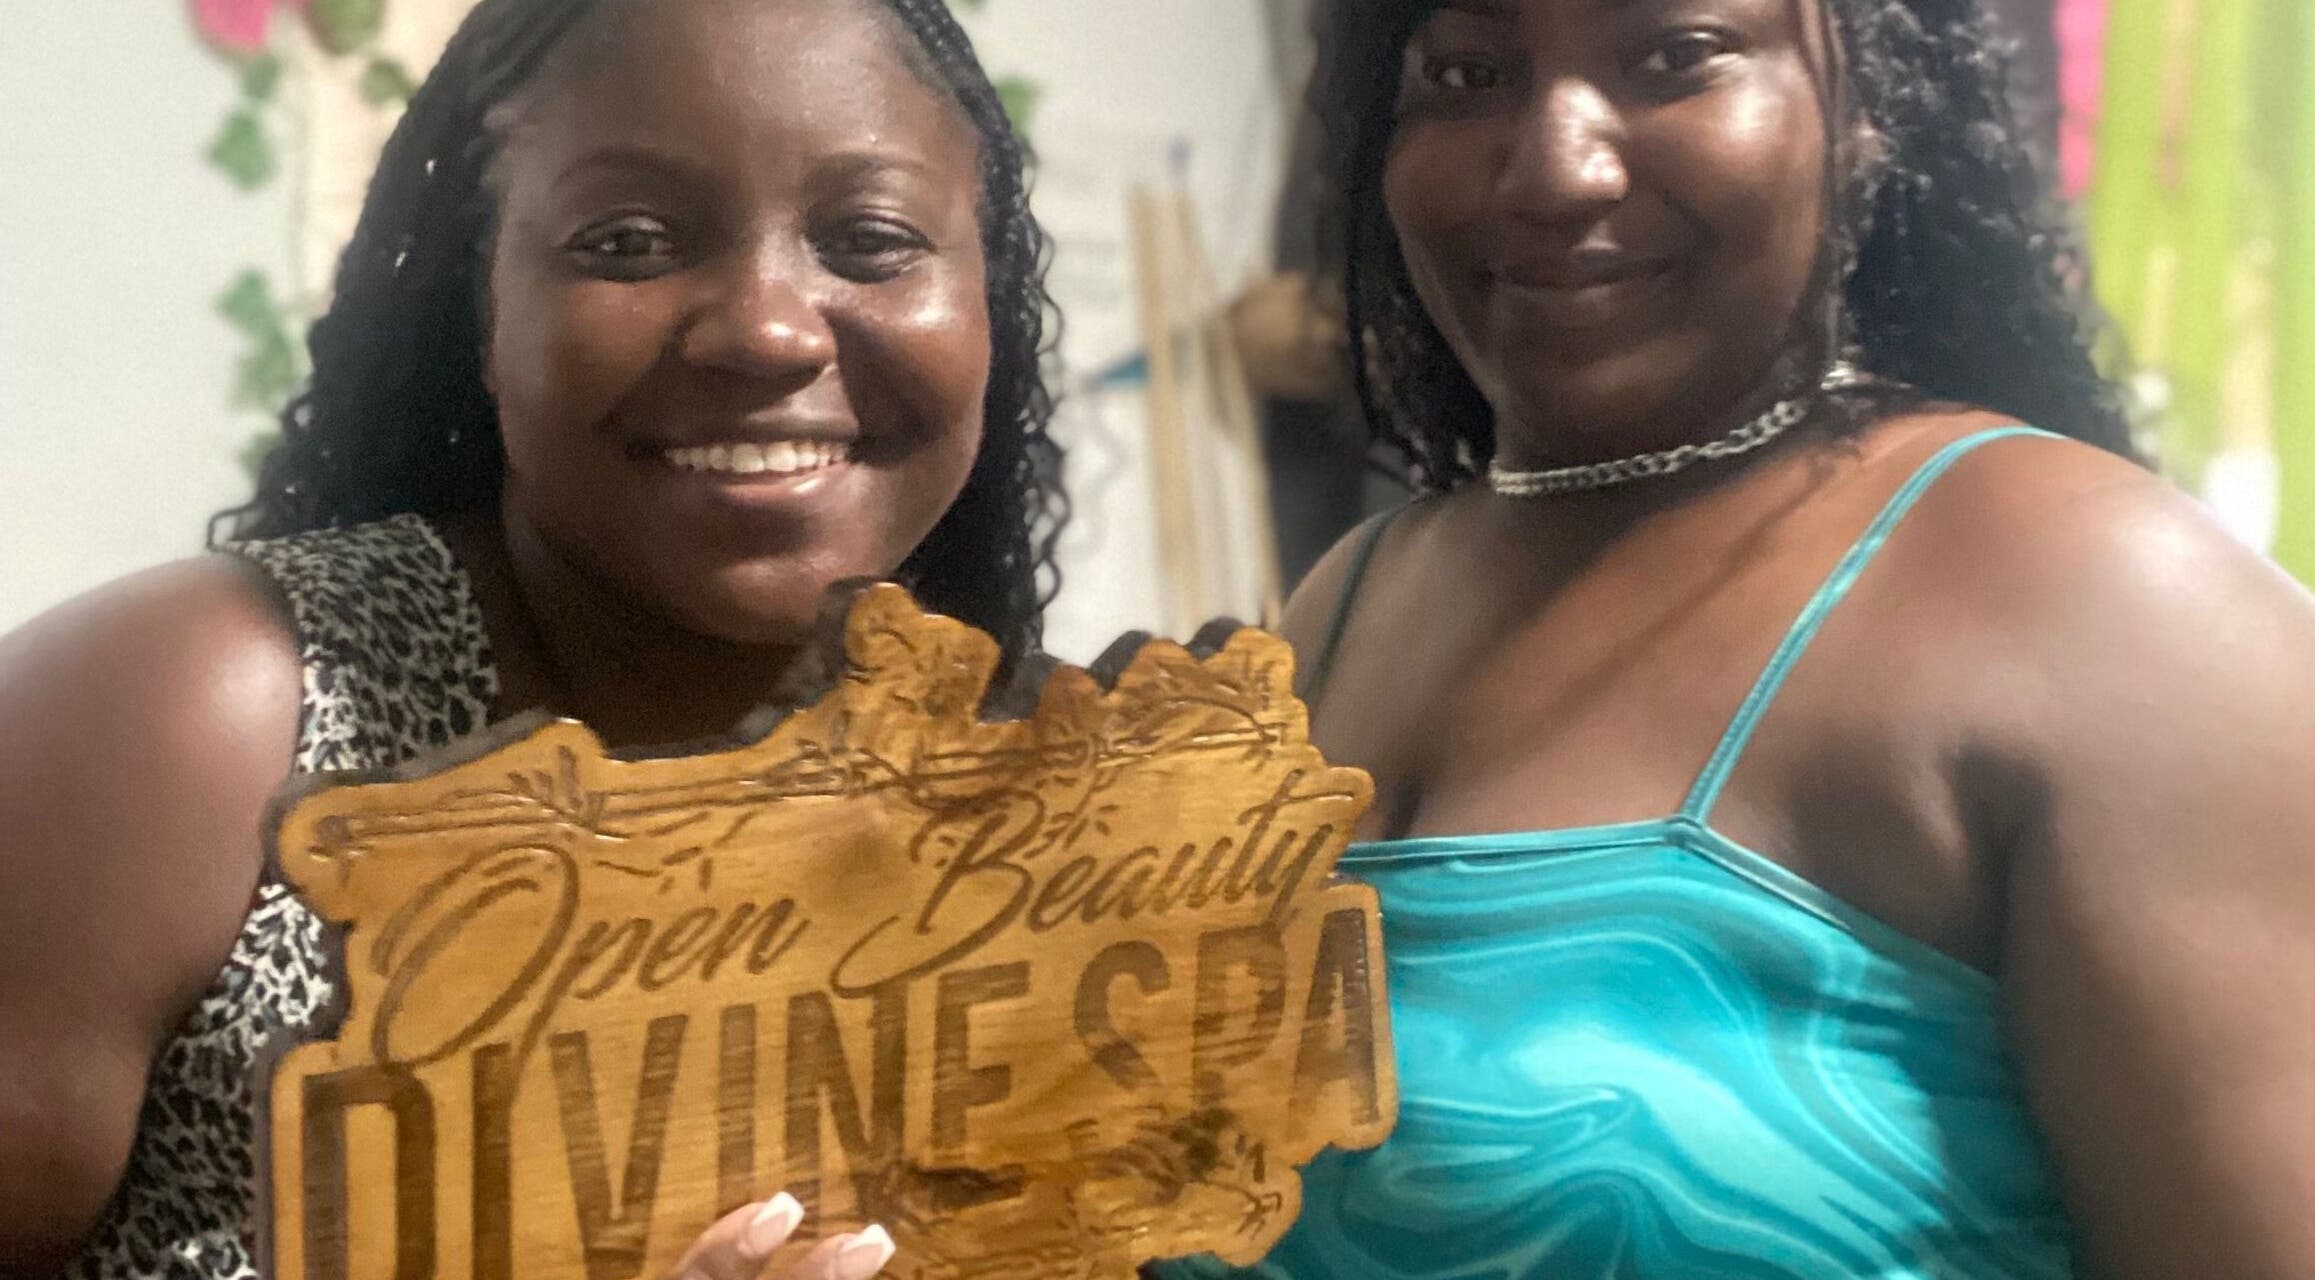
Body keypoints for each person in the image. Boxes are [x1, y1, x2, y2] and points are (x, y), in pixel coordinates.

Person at [1158, 0, 2315, 1276]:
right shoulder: (1344, 600)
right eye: (1468, 72)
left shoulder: (2110, 596)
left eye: (1676, 58)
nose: (1554, 168)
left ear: (1868, 100)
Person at [0, 0, 1061, 1276]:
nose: (768, 327)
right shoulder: (199, 724)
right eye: (628, 243)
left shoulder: (1057, 813)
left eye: (872, 240)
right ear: (481, 313)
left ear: (985, 304)